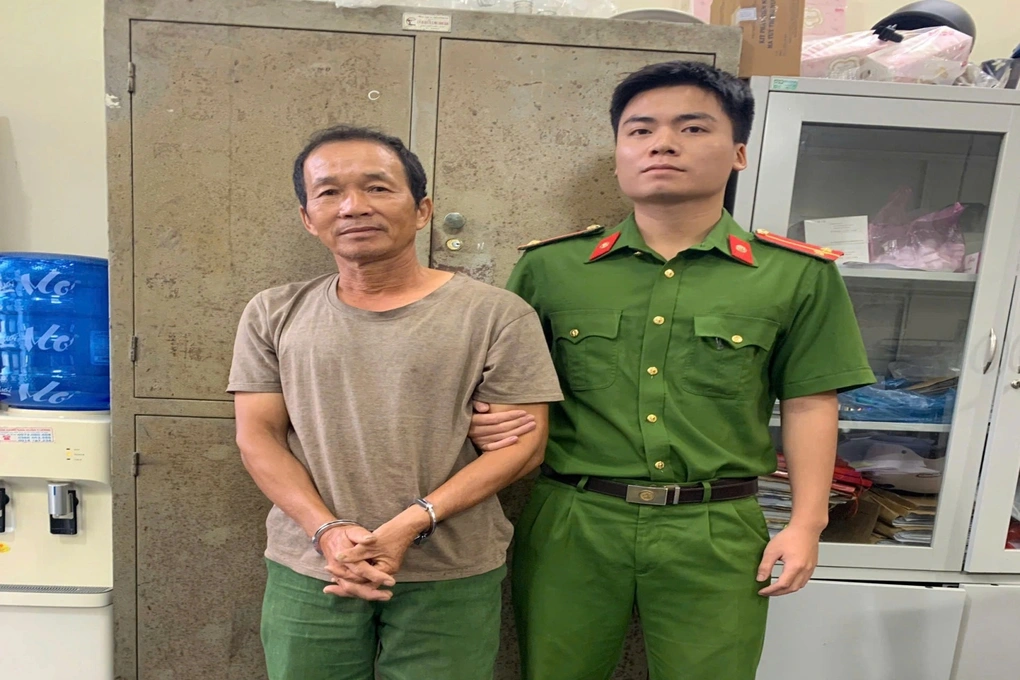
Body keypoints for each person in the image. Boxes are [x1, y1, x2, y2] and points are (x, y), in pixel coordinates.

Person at [469, 61, 876, 680]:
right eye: (640, 130)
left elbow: (810, 401)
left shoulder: (796, 275)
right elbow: (510, 390)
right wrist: (494, 422)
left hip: (716, 525)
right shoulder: (549, 269)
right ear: (617, 155)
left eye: (692, 128)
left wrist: (806, 524)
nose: (662, 143)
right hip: (574, 521)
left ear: (738, 153)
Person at [228, 125, 562, 680]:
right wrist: (326, 531)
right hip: (313, 567)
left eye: (378, 188)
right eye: (329, 192)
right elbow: (257, 436)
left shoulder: (497, 315)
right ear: (308, 218)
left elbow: (524, 447)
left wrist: (410, 524)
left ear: (422, 209)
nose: (353, 206)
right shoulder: (273, 312)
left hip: (451, 570)